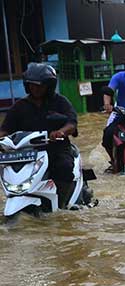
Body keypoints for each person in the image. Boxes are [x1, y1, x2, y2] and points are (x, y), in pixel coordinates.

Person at [0, 64, 78, 208]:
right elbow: (5, 130)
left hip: (56, 148)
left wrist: (61, 132)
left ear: (49, 86)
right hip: (27, 153)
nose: (35, 89)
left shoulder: (60, 102)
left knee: (64, 167)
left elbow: (72, 123)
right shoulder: (19, 106)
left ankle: (62, 204)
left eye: (40, 86)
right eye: (32, 85)